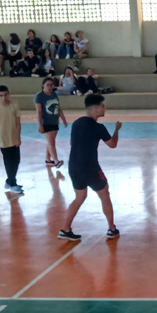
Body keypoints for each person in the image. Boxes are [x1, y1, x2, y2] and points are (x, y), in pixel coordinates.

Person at [58, 94, 121, 242]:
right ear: (95, 108)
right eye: (102, 105)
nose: (104, 108)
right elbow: (112, 144)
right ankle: (112, 228)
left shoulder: (77, 123)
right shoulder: (98, 127)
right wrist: (117, 129)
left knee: (80, 197)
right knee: (104, 193)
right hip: (90, 168)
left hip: (74, 166)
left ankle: (65, 229)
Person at [0, 85, 23, 195]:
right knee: (9, 163)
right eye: (1, 96)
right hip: (4, 140)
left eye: (5, 95)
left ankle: (9, 181)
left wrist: (18, 137)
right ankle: (13, 184)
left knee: (17, 160)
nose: (3, 97)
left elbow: (18, 123)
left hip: (14, 139)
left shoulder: (14, 106)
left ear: (9, 94)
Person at [34, 77, 66, 168]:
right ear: (43, 85)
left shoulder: (54, 95)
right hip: (46, 122)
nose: (50, 87)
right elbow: (39, 111)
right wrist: (40, 124)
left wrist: (63, 118)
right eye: (48, 84)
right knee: (51, 141)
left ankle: (48, 160)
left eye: (51, 85)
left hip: (54, 121)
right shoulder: (39, 96)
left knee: (51, 141)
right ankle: (56, 161)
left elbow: (58, 108)